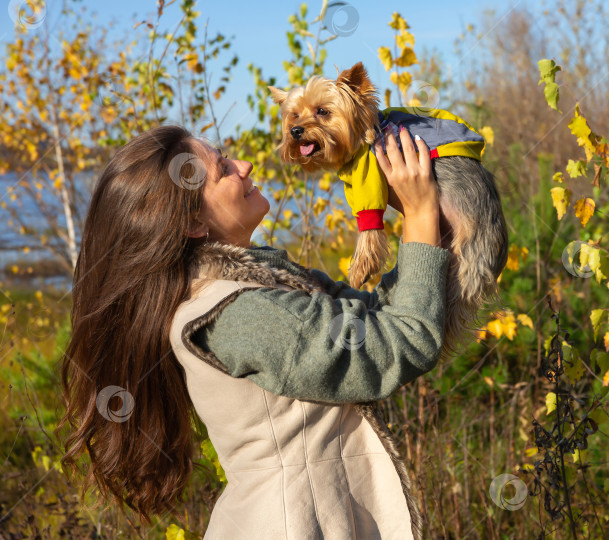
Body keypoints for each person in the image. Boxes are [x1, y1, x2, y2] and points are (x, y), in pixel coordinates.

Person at [58, 123, 451, 540]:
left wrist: (445, 223)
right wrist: (420, 213)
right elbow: (402, 342)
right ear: (193, 223)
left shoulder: (261, 280)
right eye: (224, 169)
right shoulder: (237, 314)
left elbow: (379, 315)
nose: (244, 166)